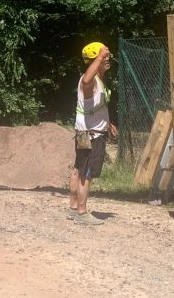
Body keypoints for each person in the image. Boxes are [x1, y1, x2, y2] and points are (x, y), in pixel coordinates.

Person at [67, 41, 117, 225]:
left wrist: (107, 122)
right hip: (92, 135)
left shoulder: (99, 80)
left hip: (86, 131)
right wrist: (99, 57)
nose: (106, 60)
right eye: (104, 58)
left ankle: (73, 208)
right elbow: (87, 81)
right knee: (86, 173)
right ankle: (82, 212)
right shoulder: (90, 79)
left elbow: (93, 107)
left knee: (79, 169)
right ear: (94, 59)